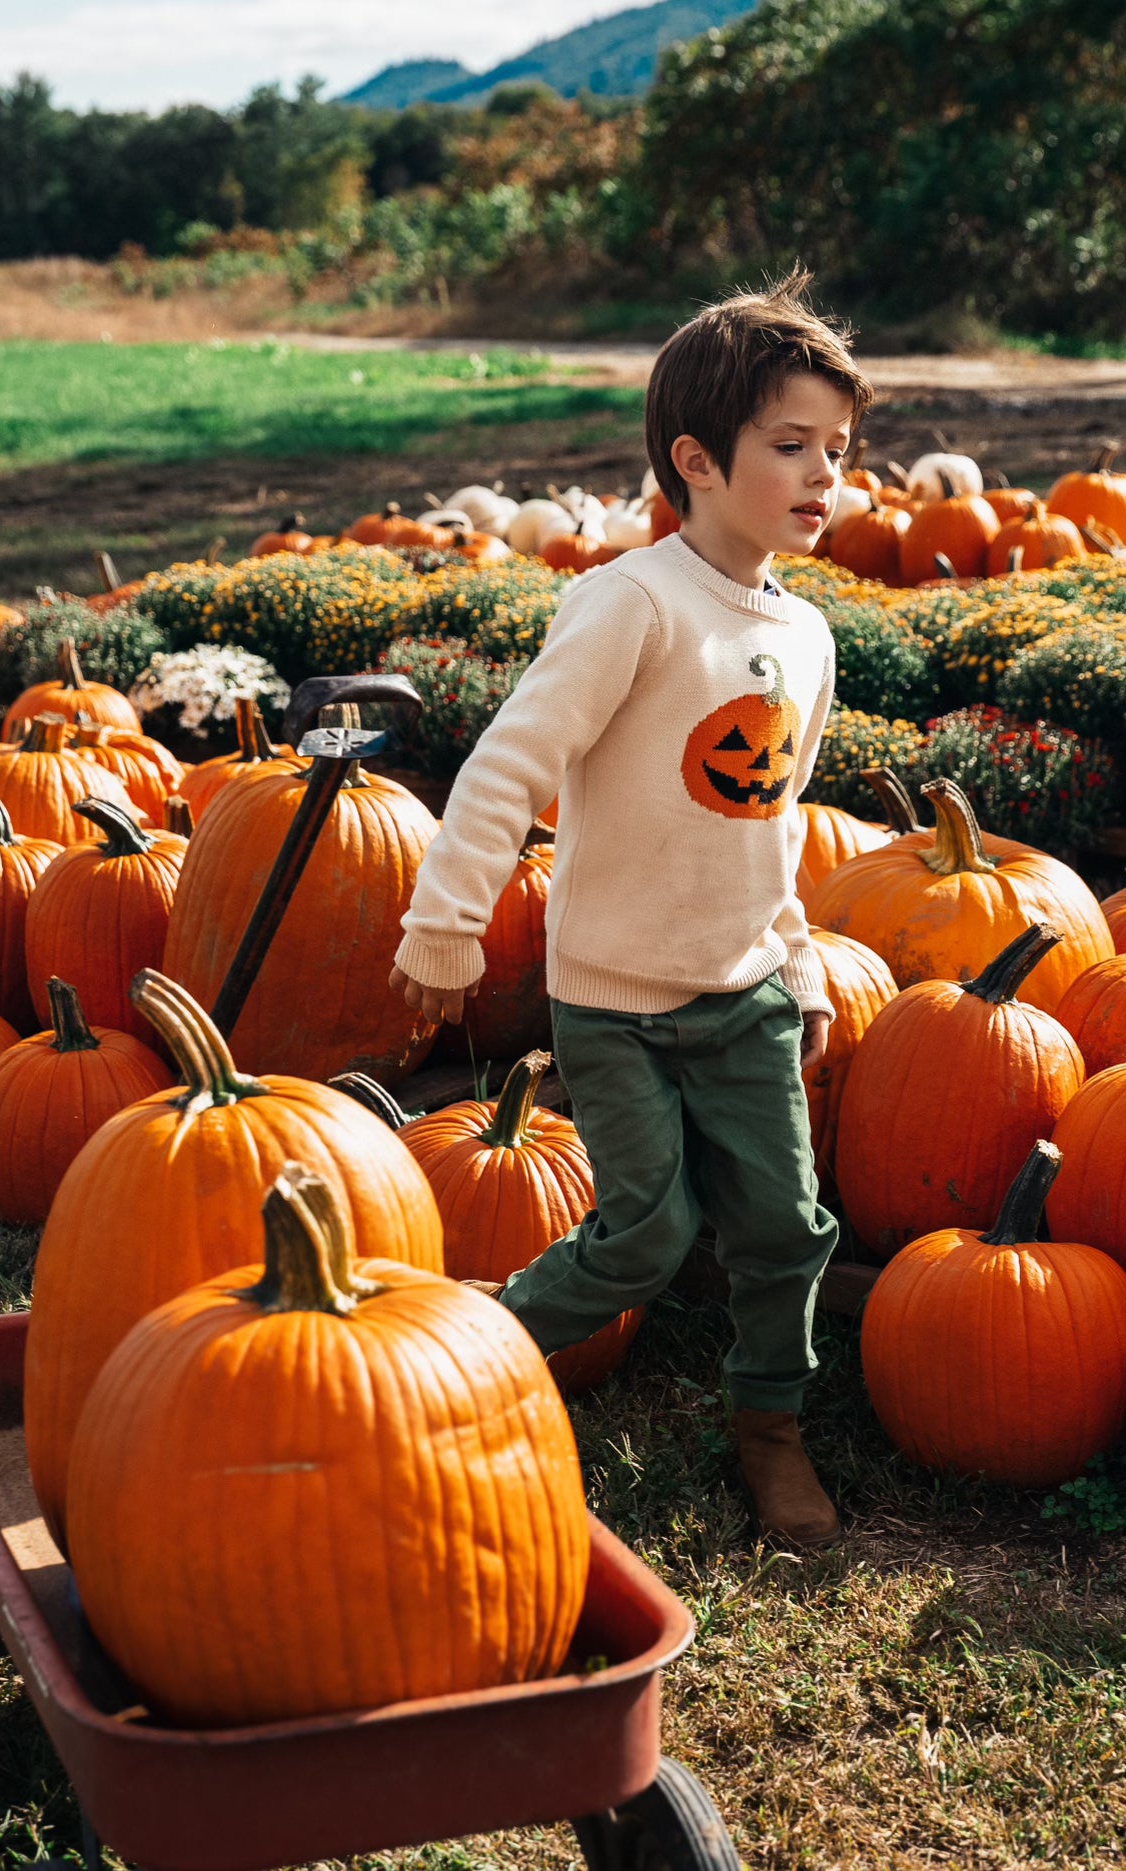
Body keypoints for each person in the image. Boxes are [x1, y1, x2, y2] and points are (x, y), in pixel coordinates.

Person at [389, 269, 874, 1548]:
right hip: (611, 994)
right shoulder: (631, 603)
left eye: (840, 448)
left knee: (785, 1224)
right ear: (697, 460)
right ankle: (464, 1353)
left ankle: (770, 1425)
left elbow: (764, 826)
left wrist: (801, 966)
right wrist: (445, 924)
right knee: (642, 1232)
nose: (827, 474)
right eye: (792, 448)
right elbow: (511, 760)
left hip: (746, 989)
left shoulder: (808, 636)